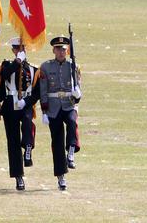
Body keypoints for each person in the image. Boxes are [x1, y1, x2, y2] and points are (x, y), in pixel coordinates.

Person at [39, 36, 82, 191]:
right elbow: (43, 90)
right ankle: (61, 176)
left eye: (64, 49)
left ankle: (71, 152)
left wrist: (78, 95)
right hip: (53, 107)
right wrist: (44, 111)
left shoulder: (73, 66)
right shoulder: (45, 67)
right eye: (58, 49)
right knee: (56, 142)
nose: (61, 52)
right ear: (53, 50)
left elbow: (78, 87)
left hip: (69, 104)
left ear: (67, 50)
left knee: (72, 122)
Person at [0, 37, 40, 191]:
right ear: (13, 50)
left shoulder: (34, 69)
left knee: (28, 123)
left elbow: (37, 93)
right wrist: (17, 62)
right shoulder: (7, 65)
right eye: (16, 49)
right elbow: (5, 76)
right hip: (10, 103)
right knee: (13, 141)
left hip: (25, 104)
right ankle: (18, 176)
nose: (19, 51)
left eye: (21, 49)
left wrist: (27, 102)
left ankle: (28, 147)